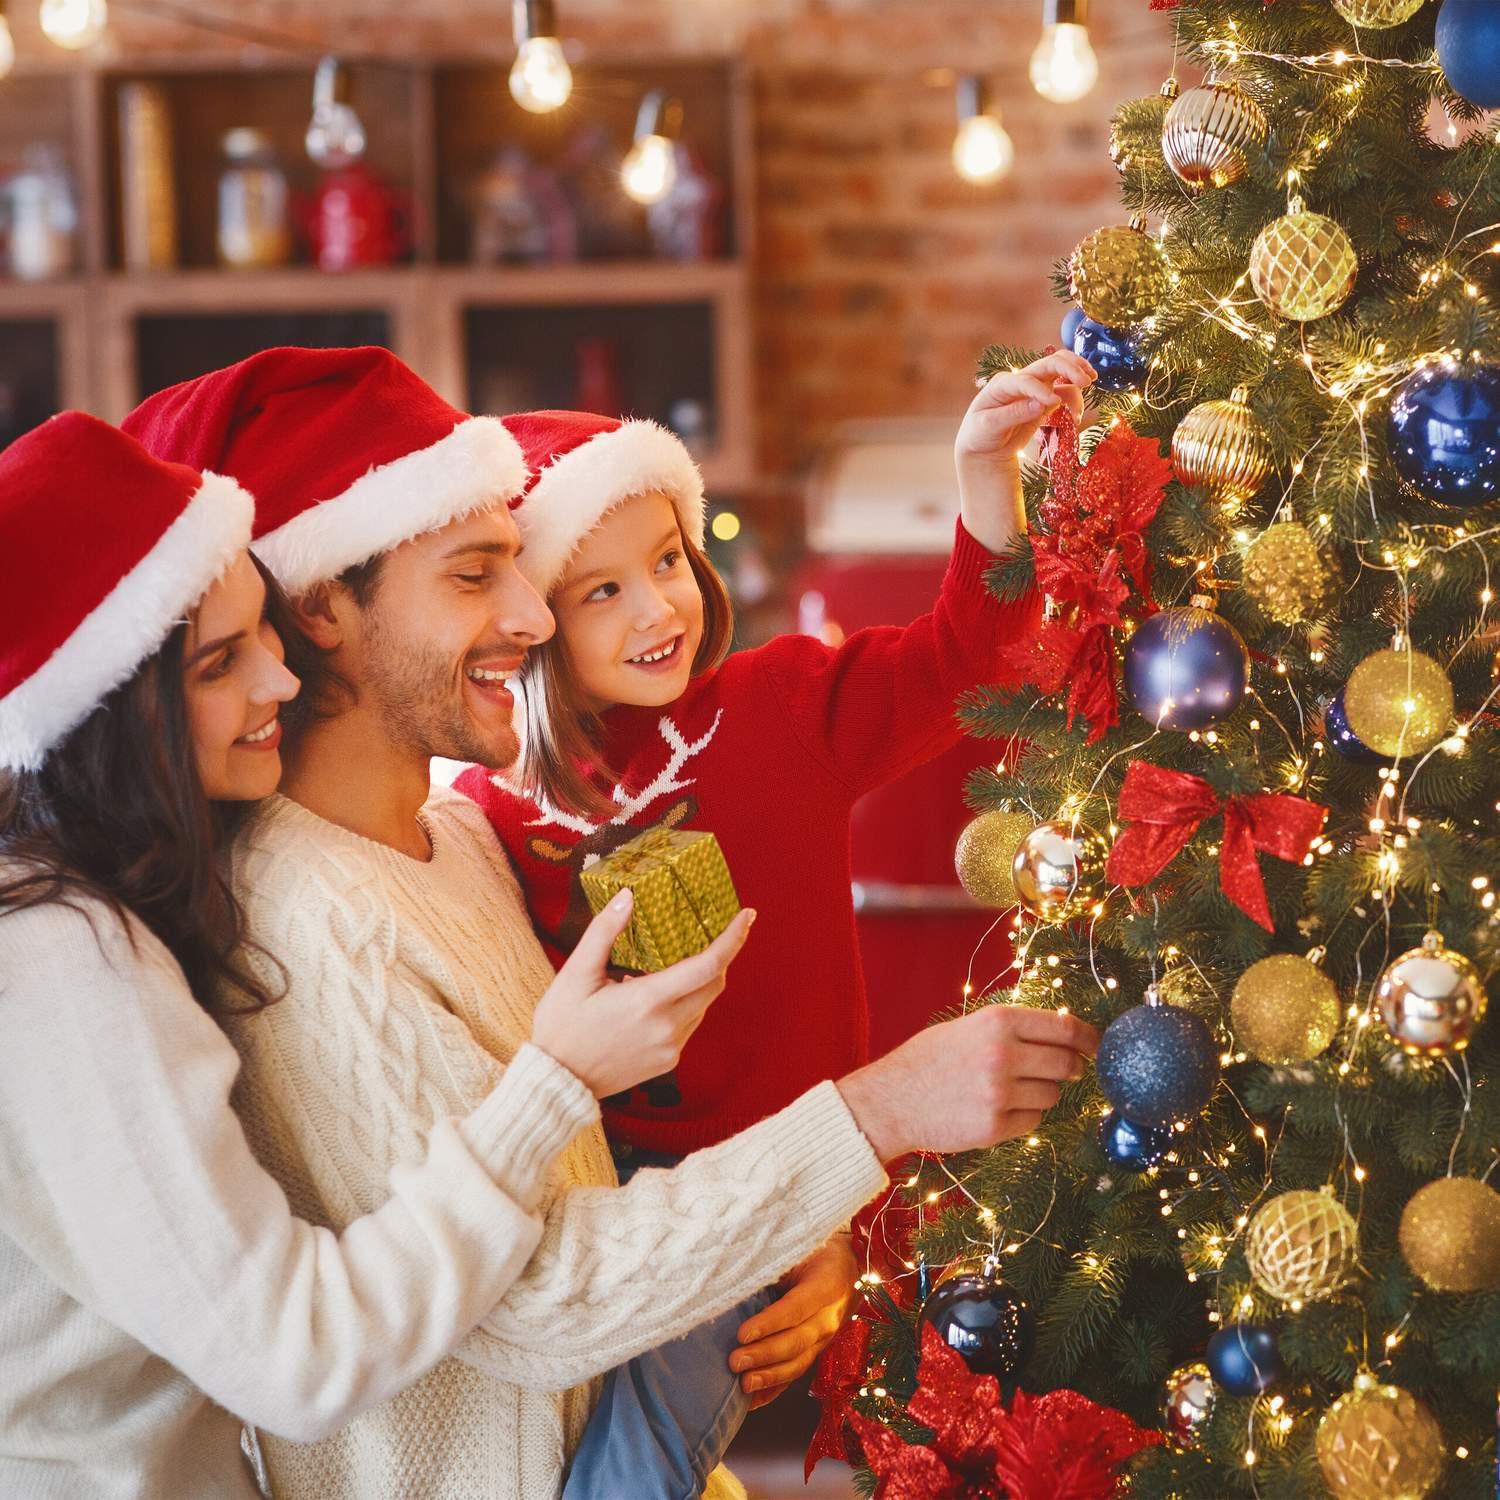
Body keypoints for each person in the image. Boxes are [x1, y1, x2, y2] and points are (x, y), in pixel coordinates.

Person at [126, 344, 1100, 1500]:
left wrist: (809, 1222)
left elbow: (592, 1198)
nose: (530, 614)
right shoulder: (333, 918)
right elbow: (542, 1302)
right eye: (478, 572)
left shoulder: (460, 841)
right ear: (328, 603)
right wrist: (869, 1120)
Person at [0, 412, 741, 1500]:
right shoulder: (66, 961)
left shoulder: (136, 904)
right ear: (115, 717)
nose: (282, 683)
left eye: (265, 638)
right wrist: (558, 1083)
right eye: (219, 664)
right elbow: (298, 1352)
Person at [457, 350, 1095, 1402]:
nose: (657, 611)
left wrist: (985, 474)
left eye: (667, 561)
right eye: (601, 591)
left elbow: (960, 664)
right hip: (616, 1229)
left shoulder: (780, 707)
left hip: (808, 1190)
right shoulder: (493, 812)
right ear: (531, 621)